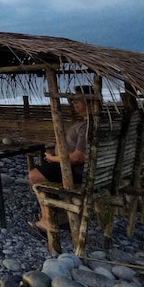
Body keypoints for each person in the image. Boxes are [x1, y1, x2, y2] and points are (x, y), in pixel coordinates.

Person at [28, 85, 97, 232]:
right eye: (73, 100)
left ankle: (48, 219)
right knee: (43, 172)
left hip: (77, 171)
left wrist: (53, 158)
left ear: (90, 102)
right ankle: (61, 215)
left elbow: (78, 157)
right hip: (81, 168)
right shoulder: (87, 122)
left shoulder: (87, 126)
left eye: (78, 100)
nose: (74, 103)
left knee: (35, 176)